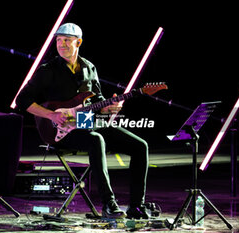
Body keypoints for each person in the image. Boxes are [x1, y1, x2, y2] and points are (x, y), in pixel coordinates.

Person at [16, 23, 149, 219]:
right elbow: (22, 100)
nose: (61, 45)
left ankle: (136, 206)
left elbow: (97, 100)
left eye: (67, 40)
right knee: (96, 139)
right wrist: (51, 115)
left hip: (87, 123)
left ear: (78, 42)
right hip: (58, 130)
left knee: (140, 145)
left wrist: (108, 107)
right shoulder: (47, 70)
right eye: (58, 40)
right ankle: (109, 204)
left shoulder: (88, 67)